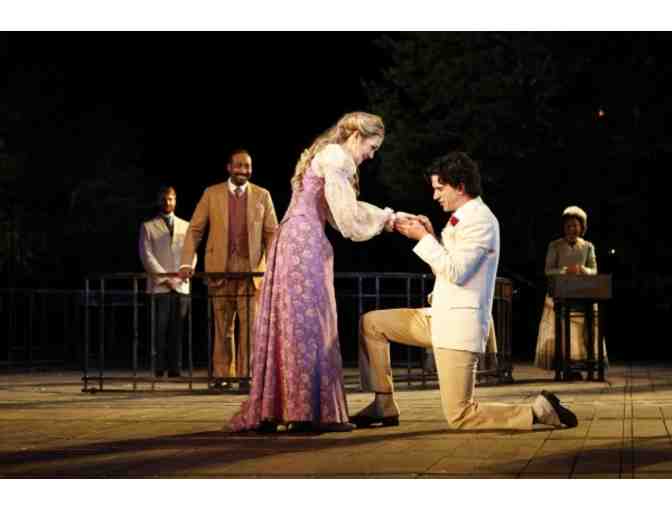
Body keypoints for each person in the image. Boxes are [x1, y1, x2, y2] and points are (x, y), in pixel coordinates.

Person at [352, 151, 577, 430]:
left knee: (460, 415)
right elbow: (445, 268)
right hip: (439, 316)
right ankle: (383, 405)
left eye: (439, 188)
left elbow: (457, 273)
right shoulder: (462, 217)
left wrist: (423, 239)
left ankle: (536, 411)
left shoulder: (481, 220)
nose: (435, 196)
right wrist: (432, 236)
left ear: (460, 186)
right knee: (372, 324)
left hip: (459, 326)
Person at [229, 112, 396, 434]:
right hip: (304, 242)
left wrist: (385, 219)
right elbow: (346, 218)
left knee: (293, 322)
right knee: (310, 322)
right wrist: (388, 219)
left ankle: (281, 408)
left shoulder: (325, 155)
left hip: (291, 239)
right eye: (372, 147)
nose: (371, 155)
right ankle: (306, 412)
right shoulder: (338, 157)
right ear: (357, 136)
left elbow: (334, 212)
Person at [179, 149, 278, 390]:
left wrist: (276, 266)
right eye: (239, 166)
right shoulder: (211, 194)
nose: (244, 170)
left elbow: (272, 233)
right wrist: (185, 262)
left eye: (247, 166)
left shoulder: (262, 195)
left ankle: (246, 376)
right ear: (229, 167)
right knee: (223, 326)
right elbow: (195, 229)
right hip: (219, 270)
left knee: (250, 327)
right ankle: (223, 376)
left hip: (252, 271)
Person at [534, 205, 605, 375]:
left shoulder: (588, 246)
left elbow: (594, 270)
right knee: (563, 330)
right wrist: (566, 271)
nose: (572, 228)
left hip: (583, 295)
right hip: (559, 294)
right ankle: (564, 365)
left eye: (575, 225)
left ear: (581, 227)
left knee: (586, 328)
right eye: (568, 225)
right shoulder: (555, 245)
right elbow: (548, 270)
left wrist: (583, 270)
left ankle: (586, 364)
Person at [139, 186, 195, 378]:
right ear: (159, 201)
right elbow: (147, 256)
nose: (167, 203)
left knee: (178, 330)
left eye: (170, 199)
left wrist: (181, 275)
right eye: (164, 199)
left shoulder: (186, 226)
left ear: (175, 200)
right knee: (159, 330)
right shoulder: (147, 226)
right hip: (159, 287)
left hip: (181, 285)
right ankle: (158, 367)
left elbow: (192, 253)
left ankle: (175, 368)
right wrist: (165, 278)